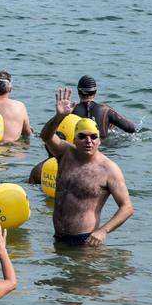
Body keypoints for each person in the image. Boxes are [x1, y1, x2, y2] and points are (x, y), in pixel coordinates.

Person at [41, 88, 134, 247]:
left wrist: (103, 231)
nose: (88, 141)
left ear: (99, 140)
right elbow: (46, 136)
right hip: (58, 239)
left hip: (86, 242)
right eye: (82, 136)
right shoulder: (65, 153)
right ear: (74, 139)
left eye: (93, 137)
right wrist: (59, 117)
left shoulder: (109, 169)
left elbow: (127, 207)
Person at [70, 75, 137, 139]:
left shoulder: (70, 110)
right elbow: (131, 128)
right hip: (103, 147)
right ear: (95, 92)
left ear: (78, 92)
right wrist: (111, 119)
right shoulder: (105, 110)